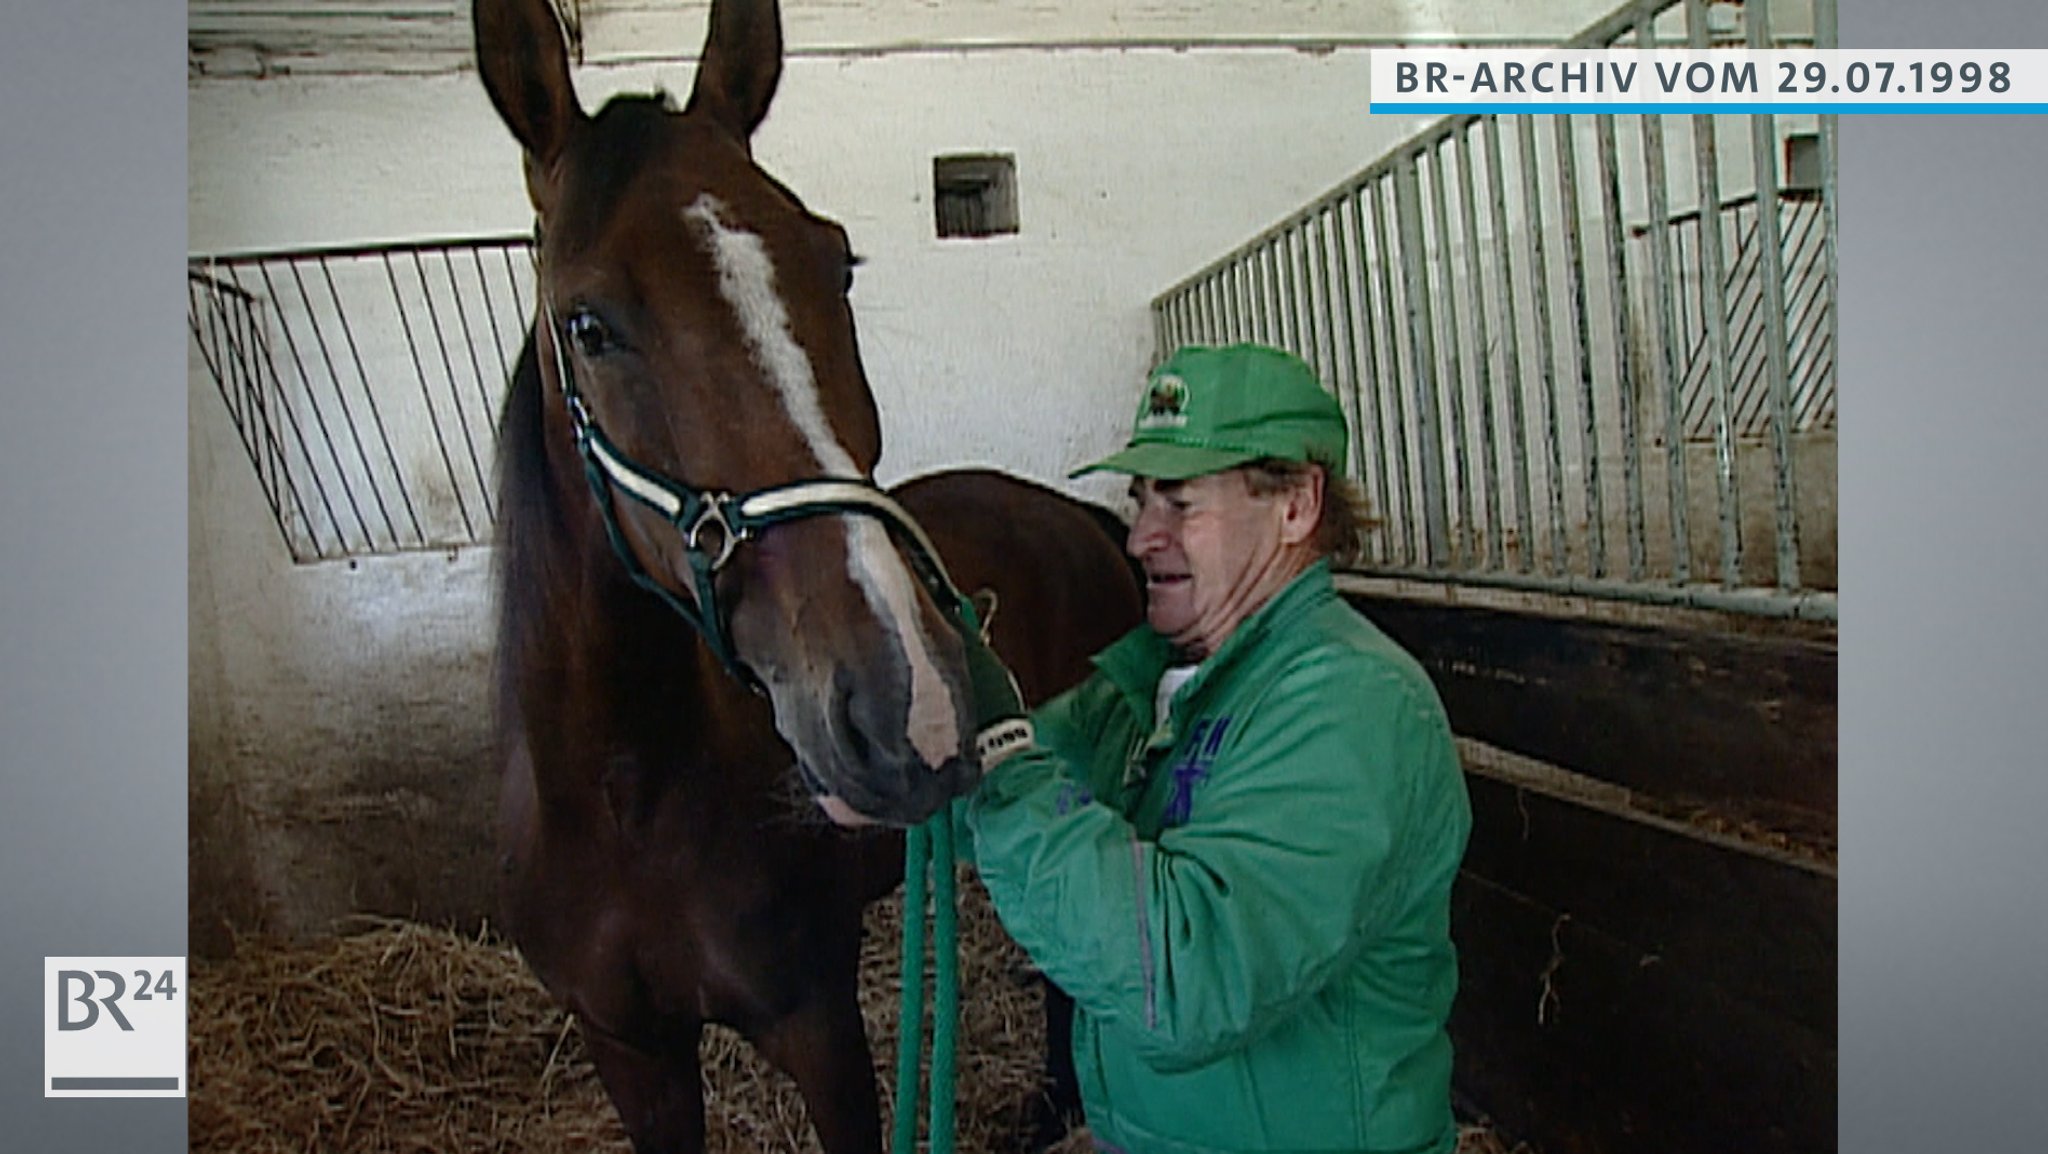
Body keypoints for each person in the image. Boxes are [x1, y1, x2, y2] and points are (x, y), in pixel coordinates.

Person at [956, 342, 1473, 1154]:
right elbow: (981, 797)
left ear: (1297, 505)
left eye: (1181, 504)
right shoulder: (1156, 683)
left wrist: (1001, 756)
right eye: (1140, 502)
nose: (1140, 540)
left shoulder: (1356, 707)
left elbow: (1191, 980)